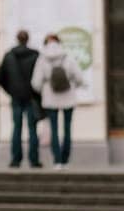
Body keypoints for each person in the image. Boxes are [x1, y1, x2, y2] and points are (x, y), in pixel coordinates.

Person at [31, 33, 85, 169]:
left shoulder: (42, 59)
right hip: (68, 97)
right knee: (67, 129)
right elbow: (79, 77)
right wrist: (72, 86)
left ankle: (57, 160)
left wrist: (45, 89)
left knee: (54, 129)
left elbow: (36, 83)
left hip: (50, 98)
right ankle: (65, 160)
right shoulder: (68, 57)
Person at [0, 30, 42, 168]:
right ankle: (34, 160)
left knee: (17, 128)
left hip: (16, 96)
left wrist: (11, 91)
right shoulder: (35, 56)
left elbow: (0, 78)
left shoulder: (9, 56)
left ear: (17, 39)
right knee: (32, 128)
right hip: (31, 96)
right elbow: (40, 78)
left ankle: (16, 159)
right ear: (27, 40)